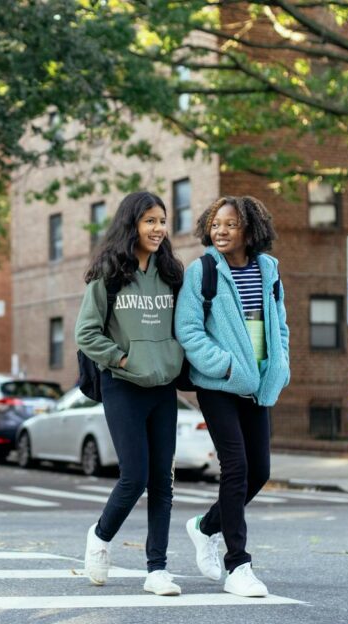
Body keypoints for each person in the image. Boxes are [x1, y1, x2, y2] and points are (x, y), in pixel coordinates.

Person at [174, 195, 290, 598]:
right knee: (236, 466)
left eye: (230, 225)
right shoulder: (202, 270)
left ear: (250, 230)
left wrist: (281, 363)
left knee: (259, 471)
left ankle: (205, 527)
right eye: (215, 224)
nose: (220, 231)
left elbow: (280, 324)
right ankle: (238, 564)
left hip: (257, 383)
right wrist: (223, 365)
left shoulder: (268, 269)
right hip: (218, 383)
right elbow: (188, 330)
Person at [74, 190, 186, 596]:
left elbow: (184, 326)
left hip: (163, 387)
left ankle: (157, 569)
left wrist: (173, 360)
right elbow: (85, 332)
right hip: (123, 385)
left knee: (163, 481)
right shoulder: (109, 273)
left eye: (162, 221)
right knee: (134, 477)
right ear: (132, 225)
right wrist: (121, 360)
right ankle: (100, 537)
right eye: (149, 221)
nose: (158, 229)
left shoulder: (173, 273)